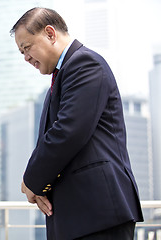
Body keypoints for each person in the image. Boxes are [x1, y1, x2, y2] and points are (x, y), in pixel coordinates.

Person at [10, 7, 143, 240]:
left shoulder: (85, 64)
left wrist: (31, 180)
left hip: (99, 213)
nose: (26, 57)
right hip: (79, 216)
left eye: (27, 48)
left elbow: (67, 132)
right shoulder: (62, 76)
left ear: (50, 34)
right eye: (22, 52)